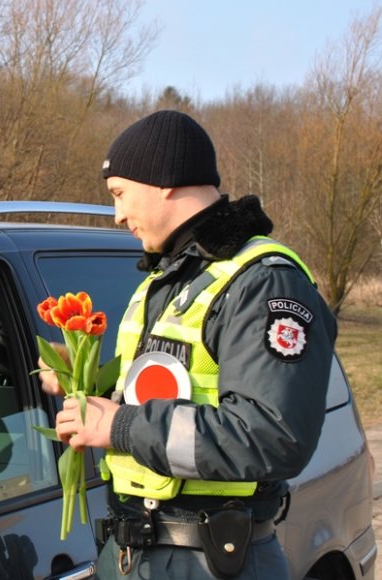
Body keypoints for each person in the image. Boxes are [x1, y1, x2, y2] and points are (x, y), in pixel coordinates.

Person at [40, 110, 337, 579]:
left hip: (211, 561)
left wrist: (120, 427)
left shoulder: (263, 282)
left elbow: (273, 436)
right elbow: (179, 387)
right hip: (138, 550)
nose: (118, 214)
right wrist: (86, 375)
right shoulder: (173, 276)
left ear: (163, 181)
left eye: (119, 194)